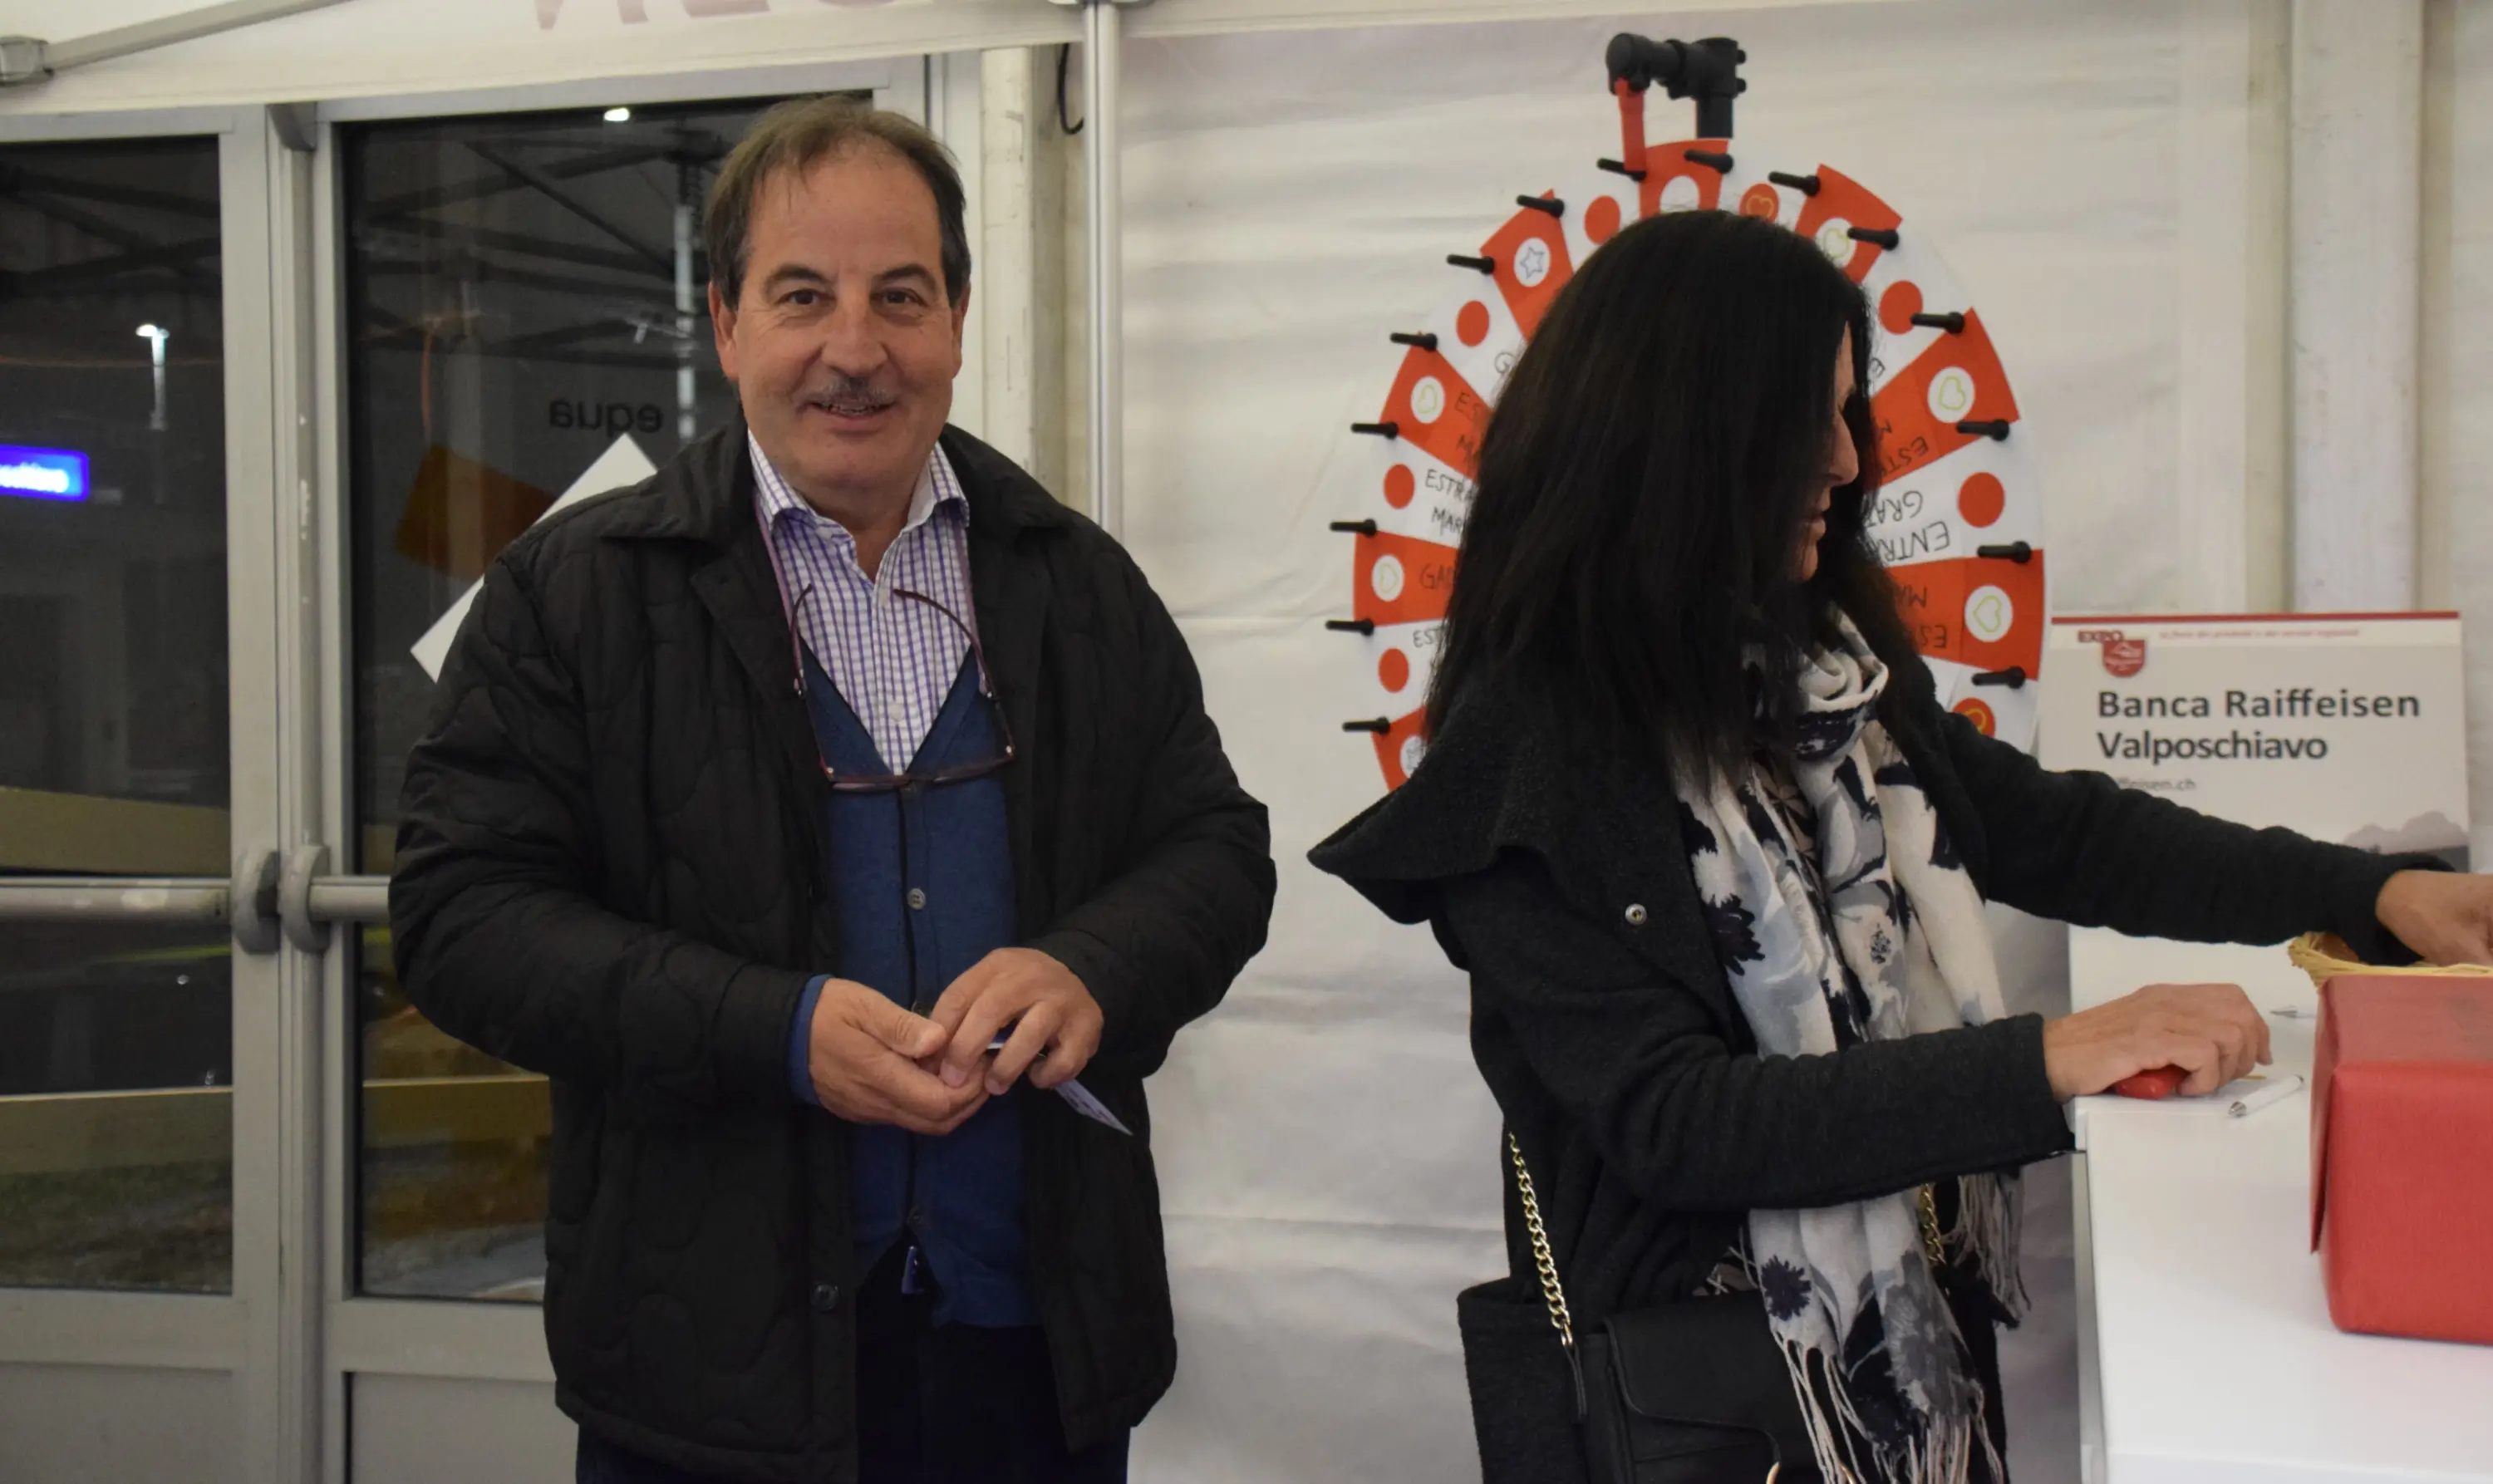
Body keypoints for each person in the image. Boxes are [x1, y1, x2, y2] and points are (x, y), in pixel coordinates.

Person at [1309, 208, 2493, 1484]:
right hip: (1715, 1415)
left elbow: (2050, 830)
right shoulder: (1526, 767)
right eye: (1802, 421)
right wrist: (2049, 1058)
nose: (1844, 461)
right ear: (1679, 442)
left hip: (1905, 1372)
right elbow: (1680, 1123)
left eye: (1848, 411)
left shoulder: (1818, 672)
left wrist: (2372, 892)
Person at [391, 98, 1275, 1484]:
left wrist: (1092, 966)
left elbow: (1216, 850)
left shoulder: (1074, 583)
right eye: (804, 295)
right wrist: (775, 1029)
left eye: (900, 297)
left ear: (960, 320)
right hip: (707, 1377)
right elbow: (458, 914)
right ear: (727, 321)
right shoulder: (573, 597)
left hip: (1035, 1355)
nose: (854, 349)